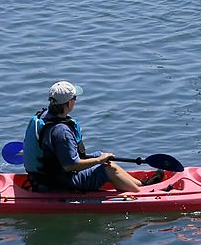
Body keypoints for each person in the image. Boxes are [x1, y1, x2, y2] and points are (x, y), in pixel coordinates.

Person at [23, 80, 156, 192]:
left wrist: (101, 157)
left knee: (102, 156)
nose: (75, 101)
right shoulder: (61, 131)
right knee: (109, 169)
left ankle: (141, 185)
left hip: (48, 176)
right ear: (69, 103)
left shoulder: (45, 117)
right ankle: (141, 195)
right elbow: (70, 166)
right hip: (60, 182)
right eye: (74, 98)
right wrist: (99, 161)